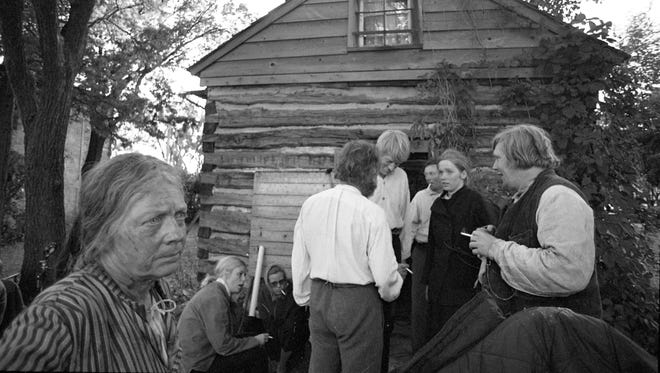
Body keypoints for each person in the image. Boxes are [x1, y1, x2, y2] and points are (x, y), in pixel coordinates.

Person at [0, 153, 185, 371]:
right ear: (105, 230)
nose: (176, 234)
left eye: (180, 215)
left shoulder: (153, 288)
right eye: (153, 220)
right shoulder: (58, 317)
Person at [291, 140, 409, 373]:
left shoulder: (311, 205)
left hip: (320, 298)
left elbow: (300, 260)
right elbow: (385, 280)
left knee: (322, 367)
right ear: (370, 175)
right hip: (358, 302)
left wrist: (305, 297)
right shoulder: (372, 214)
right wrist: (397, 284)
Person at [469, 124, 602, 318]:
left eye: (498, 158)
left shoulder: (558, 196)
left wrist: (494, 247)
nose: (494, 166)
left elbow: (567, 272)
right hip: (535, 333)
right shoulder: (523, 196)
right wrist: (496, 235)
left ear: (517, 157)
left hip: (558, 336)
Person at [421, 149, 498, 342]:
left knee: (457, 335)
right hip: (439, 281)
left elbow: (492, 237)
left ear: (463, 174)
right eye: (440, 172)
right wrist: (428, 281)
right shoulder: (438, 204)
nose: (443, 177)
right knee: (435, 332)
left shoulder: (476, 202)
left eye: (449, 172)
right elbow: (432, 245)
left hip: (463, 281)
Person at [178, 256, 269, 373]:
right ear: (226, 273)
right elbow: (223, 346)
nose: (243, 280)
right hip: (199, 365)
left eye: (245, 275)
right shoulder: (215, 297)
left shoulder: (217, 291)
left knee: (252, 336)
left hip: (206, 353)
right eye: (240, 274)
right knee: (256, 352)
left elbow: (227, 333)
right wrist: (256, 341)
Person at [368, 129, 411, 372]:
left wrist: (403, 255)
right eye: (389, 161)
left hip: (392, 243)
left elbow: (405, 214)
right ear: (378, 152)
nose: (393, 167)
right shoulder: (364, 174)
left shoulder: (402, 177)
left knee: (388, 312)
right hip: (368, 244)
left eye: (398, 163)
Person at [401, 159, 443, 352]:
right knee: (419, 301)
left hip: (443, 254)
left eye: (433, 173)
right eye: (427, 175)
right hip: (423, 252)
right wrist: (406, 254)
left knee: (440, 299)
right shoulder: (419, 197)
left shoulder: (450, 197)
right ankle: (418, 350)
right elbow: (410, 226)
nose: (430, 178)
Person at [259, 265, 309, 373]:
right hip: (273, 330)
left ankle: (282, 365)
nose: (279, 286)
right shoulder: (264, 293)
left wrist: (282, 300)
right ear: (268, 284)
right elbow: (264, 315)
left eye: (282, 282)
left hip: (290, 331)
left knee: (289, 330)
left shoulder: (292, 293)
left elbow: (293, 320)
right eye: (274, 284)